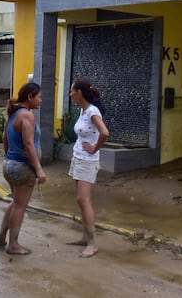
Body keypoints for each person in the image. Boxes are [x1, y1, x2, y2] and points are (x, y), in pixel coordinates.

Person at [0, 82, 45, 255]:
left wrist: (10, 157)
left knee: (16, 203)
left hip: (9, 165)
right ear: (30, 97)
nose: (40, 100)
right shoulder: (27, 116)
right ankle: (13, 244)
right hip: (23, 168)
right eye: (38, 97)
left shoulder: (13, 113)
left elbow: (4, 138)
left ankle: (1, 236)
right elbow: (29, 144)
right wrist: (38, 169)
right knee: (20, 206)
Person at [67, 78, 110, 258]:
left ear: (80, 93)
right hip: (78, 157)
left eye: (72, 91)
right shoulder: (83, 110)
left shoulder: (92, 111)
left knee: (83, 200)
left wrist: (94, 148)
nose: (70, 94)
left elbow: (105, 132)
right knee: (81, 200)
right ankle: (85, 236)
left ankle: (92, 243)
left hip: (87, 160)